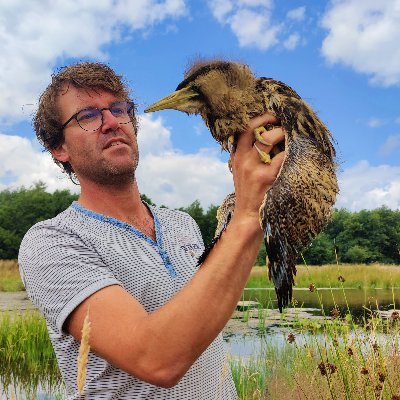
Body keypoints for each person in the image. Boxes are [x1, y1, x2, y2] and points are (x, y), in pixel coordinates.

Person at [18, 62, 285, 399]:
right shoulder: (52, 242)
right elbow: (156, 360)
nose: (112, 122)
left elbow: (204, 317)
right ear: (59, 148)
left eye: (119, 109)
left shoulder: (182, 224)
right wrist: (247, 211)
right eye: (88, 115)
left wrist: (263, 202)